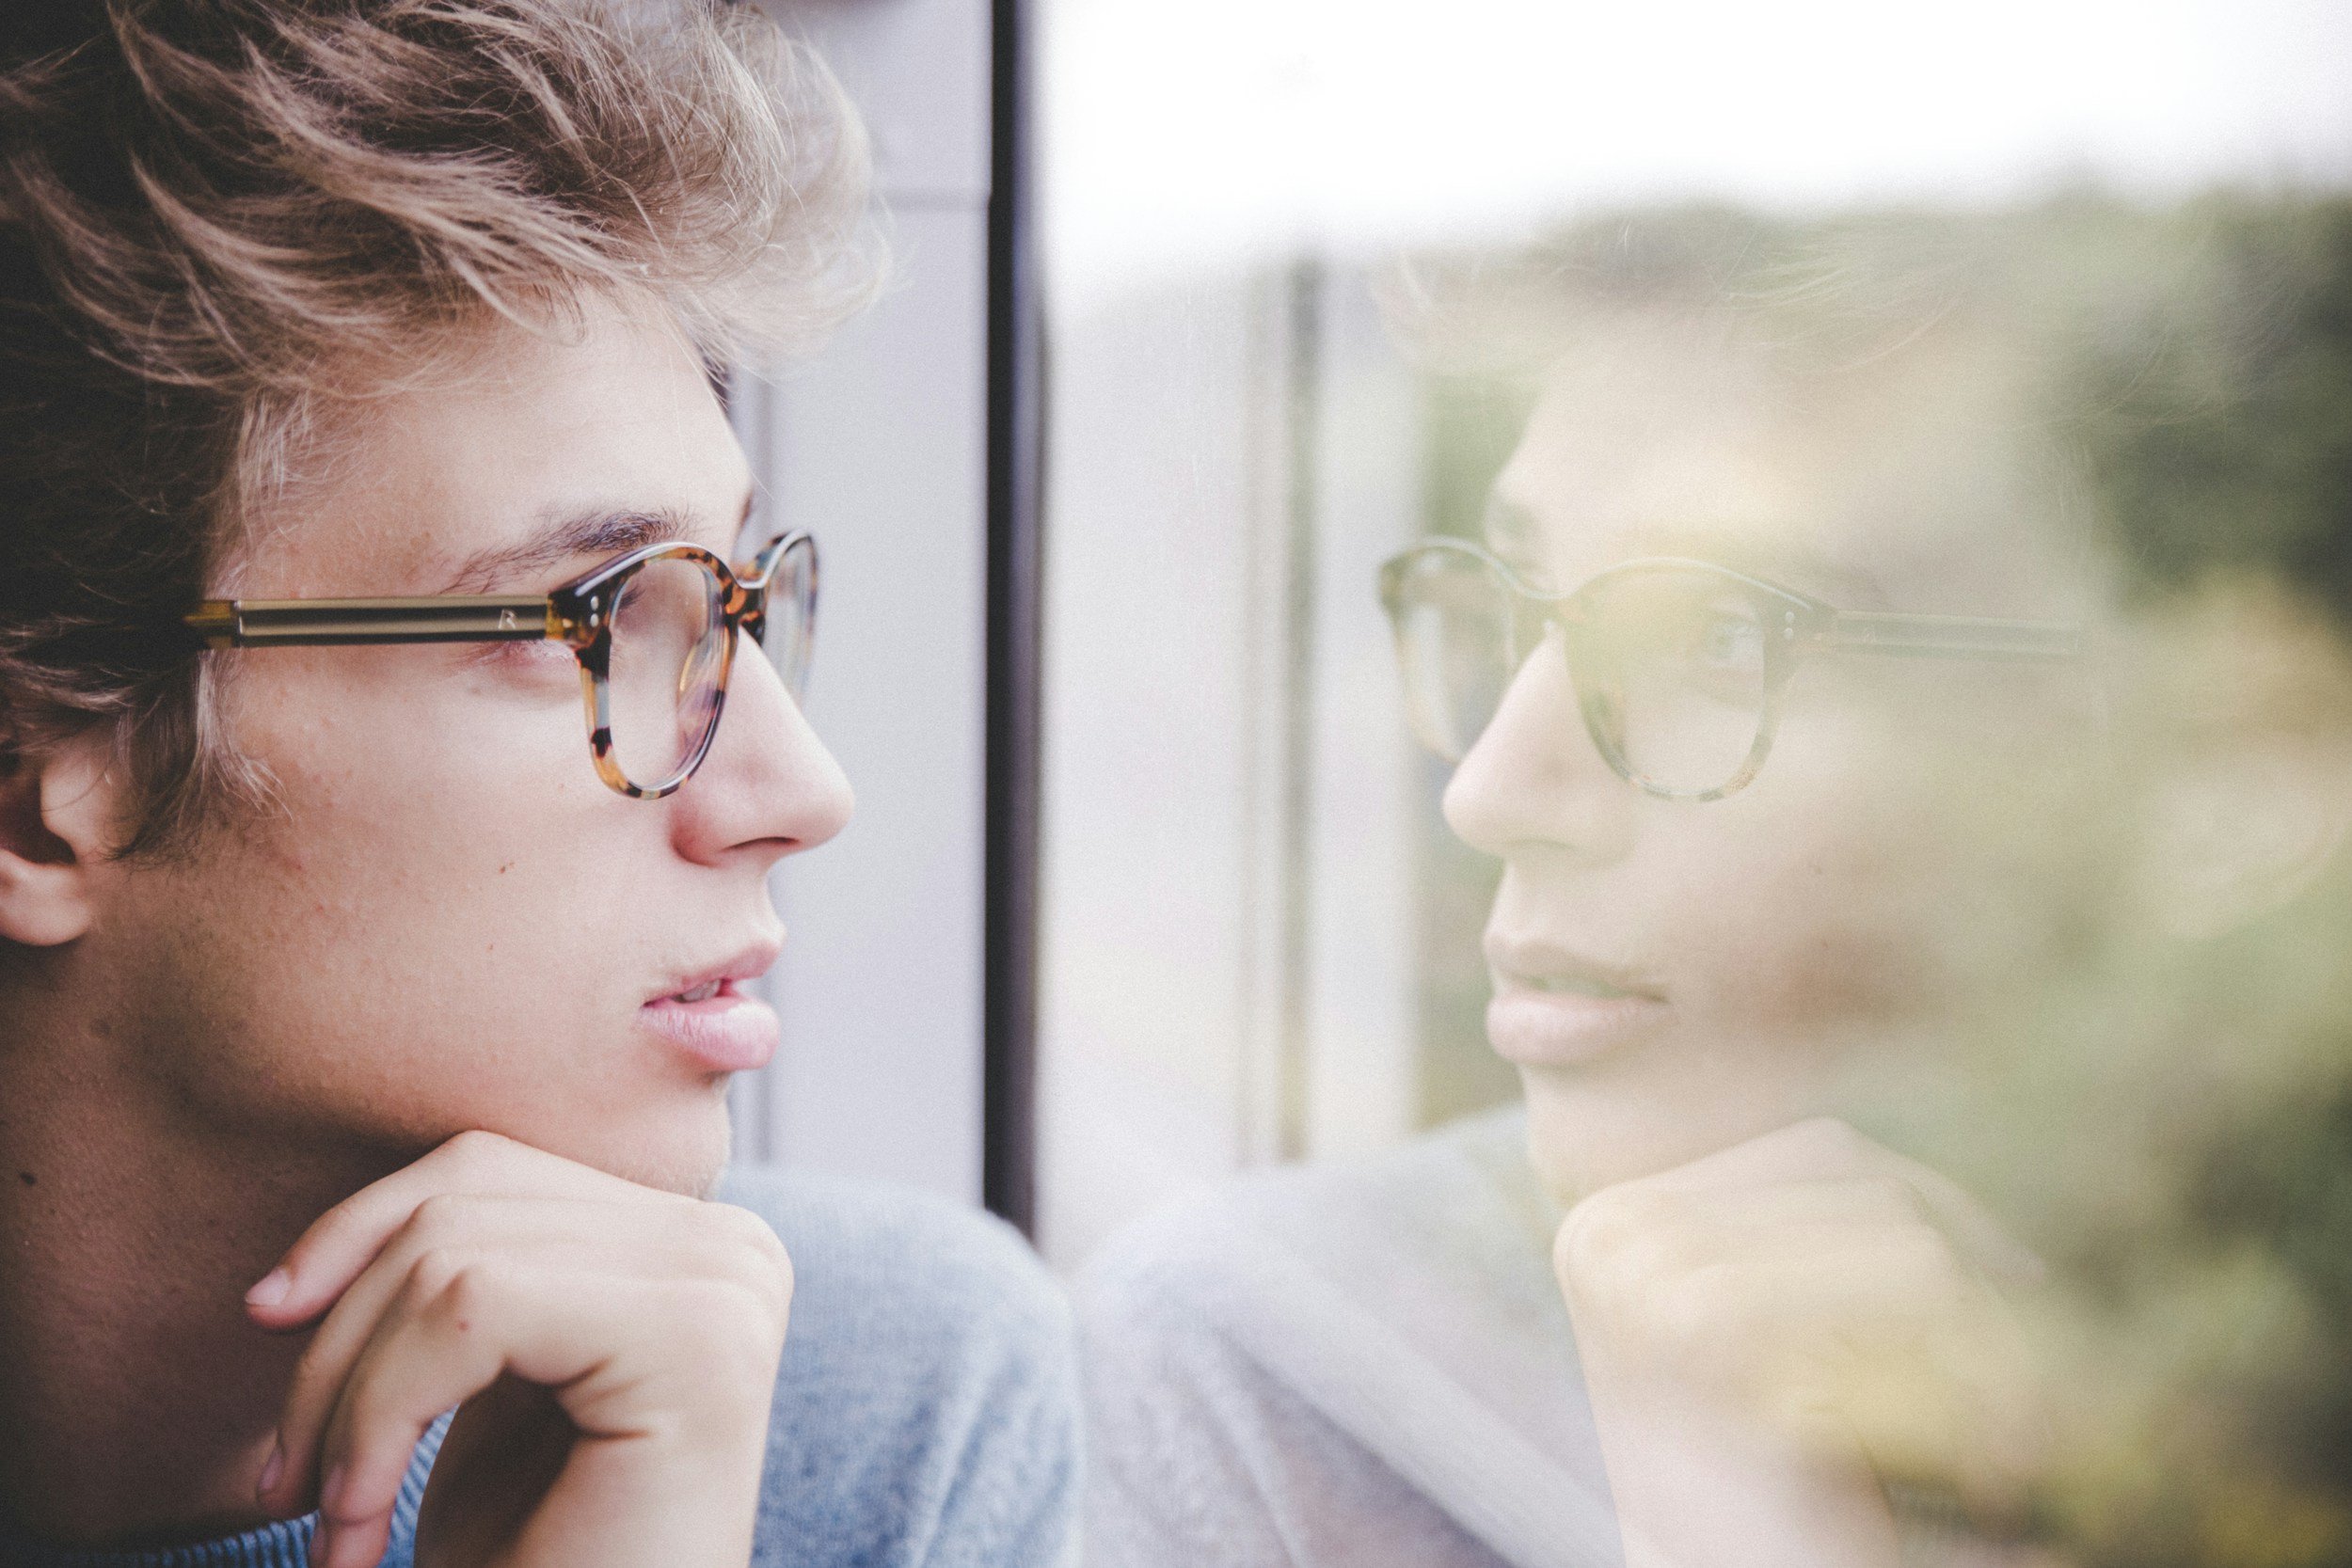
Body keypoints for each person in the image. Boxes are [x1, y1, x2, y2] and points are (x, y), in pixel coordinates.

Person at [1077, 200, 2352, 1568]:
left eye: (1720, 639)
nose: (1493, 788)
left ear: (2231, 761)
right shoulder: (1281, 1380)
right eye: (1515, 601)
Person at [0, 4, 1077, 1566]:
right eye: (598, 614)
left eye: (736, 608)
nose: (801, 787)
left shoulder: (873, 1408)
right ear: (39, 774)